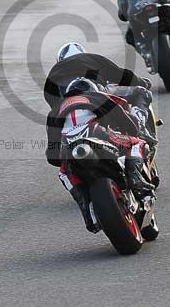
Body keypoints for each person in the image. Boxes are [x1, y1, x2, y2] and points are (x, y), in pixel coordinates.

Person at [53, 77, 155, 232]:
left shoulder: (55, 111)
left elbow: (52, 155)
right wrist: (131, 131)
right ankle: (136, 180)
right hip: (95, 134)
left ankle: (86, 209)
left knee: (64, 173)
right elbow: (128, 123)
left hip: (68, 148)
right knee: (137, 143)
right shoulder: (98, 96)